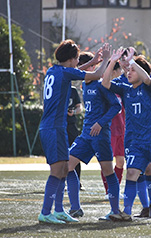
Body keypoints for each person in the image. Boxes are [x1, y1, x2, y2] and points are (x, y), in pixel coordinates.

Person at [101, 48, 151, 221]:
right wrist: (112, 62)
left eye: (132, 70)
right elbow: (105, 83)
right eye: (127, 70)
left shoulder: (149, 86)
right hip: (135, 141)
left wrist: (132, 62)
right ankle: (127, 212)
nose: (128, 72)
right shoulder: (126, 89)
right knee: (131, 173)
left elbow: (146, 77)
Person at [38, 40, 111, 224]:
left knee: (64, 168)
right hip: (53, 128)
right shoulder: (65, 72)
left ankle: (60, 210)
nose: (78, 61)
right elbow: (97, 75)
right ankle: (45, 212)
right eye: (77, 58)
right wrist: (106, 60)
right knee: (56, 171)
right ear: (71, 59)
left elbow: (78, 70)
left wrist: (93, 60)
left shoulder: (55, 70)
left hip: (57, 127)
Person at [66, 51, 122, 220]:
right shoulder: (85, 85)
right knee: (67, 165)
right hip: (85, 135)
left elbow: (116, 106)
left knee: (108, 171)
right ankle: (75, 208)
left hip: (100, 135)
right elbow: (73, 75)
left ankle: (115, 211)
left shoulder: (101, 85)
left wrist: (101, 123)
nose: (85, 73)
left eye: (90, 68)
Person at [101, 61, 125, 200]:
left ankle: (115, 189)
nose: (121, 72)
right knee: (107, 162)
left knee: (120, 161)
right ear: (114, 71)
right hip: (109, 130)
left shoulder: (120, 87)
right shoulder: (104, 87)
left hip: (121, 129)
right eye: (120, 69)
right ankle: (108, 191)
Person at [67, 86, 84, 191]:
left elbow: (79, 107)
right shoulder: (56, 88)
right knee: (59, 154)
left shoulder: (72, 90)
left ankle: (77, 181)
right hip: (58, 125)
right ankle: (61, 180)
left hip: (71, 125)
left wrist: (73, 111)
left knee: (75, 153)